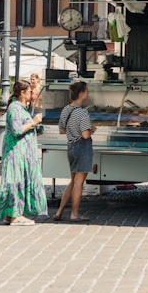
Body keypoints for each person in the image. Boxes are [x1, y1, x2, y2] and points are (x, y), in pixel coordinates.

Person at [0, 80, 47, 226]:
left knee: (17, 182)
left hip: (23, 153)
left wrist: (37, 127)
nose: (32, 94)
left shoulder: (22, 108)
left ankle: (10, 214)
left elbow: (26, 128)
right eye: (29, 92)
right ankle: (15, 215)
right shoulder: (15, 108)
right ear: (22, 93)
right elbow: (16, 130)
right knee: (16, 182)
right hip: (16, 153)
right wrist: (33, 122)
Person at [53, 81, 95, 222]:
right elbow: (85, 135)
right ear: (82, 93)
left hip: (70, 146)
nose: (88, 93)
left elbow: (61, 130)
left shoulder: (66, 109)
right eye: (86, 91)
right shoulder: (83, 113)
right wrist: (92, 130)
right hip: (82, 148)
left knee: (72, 181)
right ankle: (74, 214)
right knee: (79, 183)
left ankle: (59, 212)